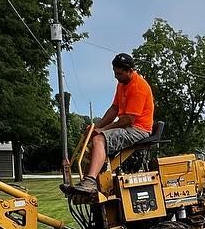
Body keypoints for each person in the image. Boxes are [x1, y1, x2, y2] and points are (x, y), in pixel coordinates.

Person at [66, 52, 156, 198]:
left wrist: (102, 130)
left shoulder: (138, 87)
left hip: (138, 129)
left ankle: (90, 182)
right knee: (92, 139)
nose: (116, 76)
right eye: (115, 72)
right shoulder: (122, 84)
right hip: (128, 126)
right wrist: (96, 127)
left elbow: (128, 120)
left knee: (99, 140)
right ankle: (87, 182)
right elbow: (114, 109)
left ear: (130, 70)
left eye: (119, 73)